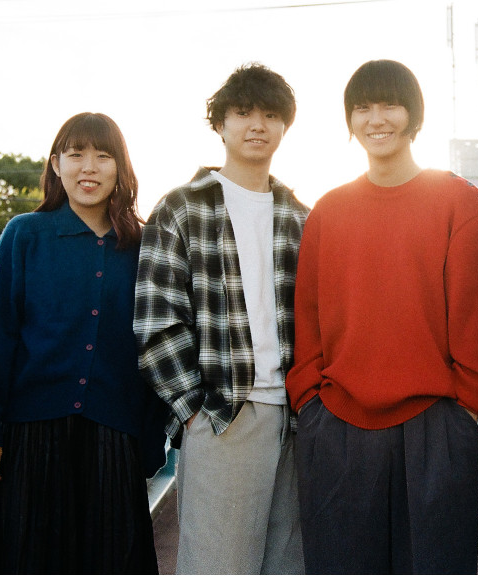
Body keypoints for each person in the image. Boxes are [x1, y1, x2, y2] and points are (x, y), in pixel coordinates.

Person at [286, 59, 478, 574]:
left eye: (389, 105)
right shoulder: (327, 211)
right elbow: (308, 315)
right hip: (336, 423)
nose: (376, 119)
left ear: (414, 115)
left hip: (435, 421)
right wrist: (309, 400)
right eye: (362, 107)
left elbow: (475, 313)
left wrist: (466, 405)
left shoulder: (460, 202)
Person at [0, 112, 167, 574]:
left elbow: (156, 342)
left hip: (114, 432)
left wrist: (150, 440)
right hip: (31, 433)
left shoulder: (144, 244)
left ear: (121, 168)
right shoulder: (25, 235)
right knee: (27, 559)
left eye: (103, 156)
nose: (88, 167)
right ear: (56, 165)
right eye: (76, 154)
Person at [134, 63, 308, 574]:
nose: (257, 125)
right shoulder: (182, 207)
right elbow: (156, 319)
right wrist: (195, 410)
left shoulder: (300, 216)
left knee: (289, 565)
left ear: (284, 126)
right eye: (243, 112)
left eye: (270, 114)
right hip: (225, 412)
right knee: (218, 566)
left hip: (296, 416)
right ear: (221, 123)